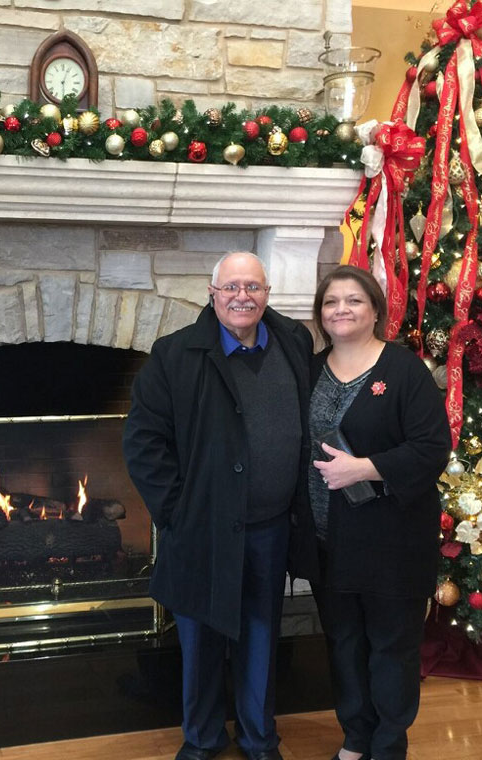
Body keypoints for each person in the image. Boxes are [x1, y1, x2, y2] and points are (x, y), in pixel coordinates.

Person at [124, 251, 318, 760]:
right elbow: (143, 443)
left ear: (267, 293)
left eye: (252, 287)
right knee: (201, 641)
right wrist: (176, 512)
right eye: (230, 287)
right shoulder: (174, 355)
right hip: (202, 529)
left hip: (271, 527)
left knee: (261, 636)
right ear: (212, 295)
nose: (241, 297)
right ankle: (202, 739)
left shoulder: (294, 341)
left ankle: (258, 739)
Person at [308, 266, 451, 760]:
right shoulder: (310, 369)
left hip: (393, 539)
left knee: (391, 646)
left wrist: (365, 468)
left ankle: (389, 745)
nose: (341, 310)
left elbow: (432, 447)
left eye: (354, 300)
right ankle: (356, 737)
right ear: (320, 314)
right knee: (344, 643)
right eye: (331, 302)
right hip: (328, 540)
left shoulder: (404, 371)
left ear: (375, 311)